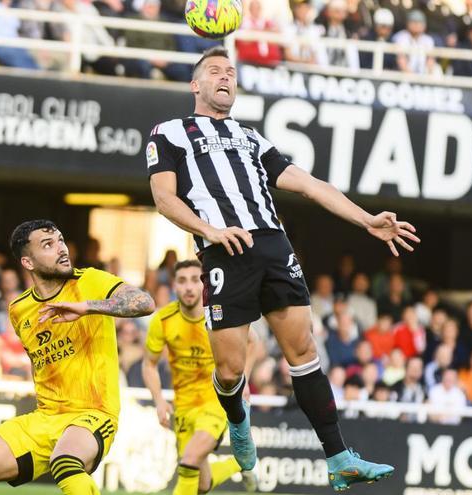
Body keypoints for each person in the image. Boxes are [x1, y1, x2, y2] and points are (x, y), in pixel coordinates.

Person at [146, 46, 417, 490]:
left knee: (304, 353)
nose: (225, 77)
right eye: (215, 71)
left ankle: (338, 455)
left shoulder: (252, 138)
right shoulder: (170, 133)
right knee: (231, 370)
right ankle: (237, 420)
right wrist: (210, 231)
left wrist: (366, 219)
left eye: (231, 72)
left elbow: (309, 184)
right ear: (195, 84)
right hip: (222, 251)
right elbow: (164, 199)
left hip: (272, 244)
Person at [0, 219, 155, 495]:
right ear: (28, 262)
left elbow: (144, 303)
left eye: (61, 241)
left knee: (65, 463)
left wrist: (87, 307)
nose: (61, 249)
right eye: (48, 245)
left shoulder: (89, 280)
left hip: (93, 413)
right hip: (46, 417)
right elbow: (38, 362)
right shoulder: (19, 309)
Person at [142, 259, 257, 494]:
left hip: (216, 402)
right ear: (174, 285)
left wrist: (243, 379)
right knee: (201, 485)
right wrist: (159, 401)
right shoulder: (163, 320)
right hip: (183, 407)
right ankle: (240, 463)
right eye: (182, 281)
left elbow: (253, 342)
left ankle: (241, 461)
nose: (189, 287)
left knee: (189, 460)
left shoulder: (219, 313)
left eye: (195, 280)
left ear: (205, 283)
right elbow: (149, 365)